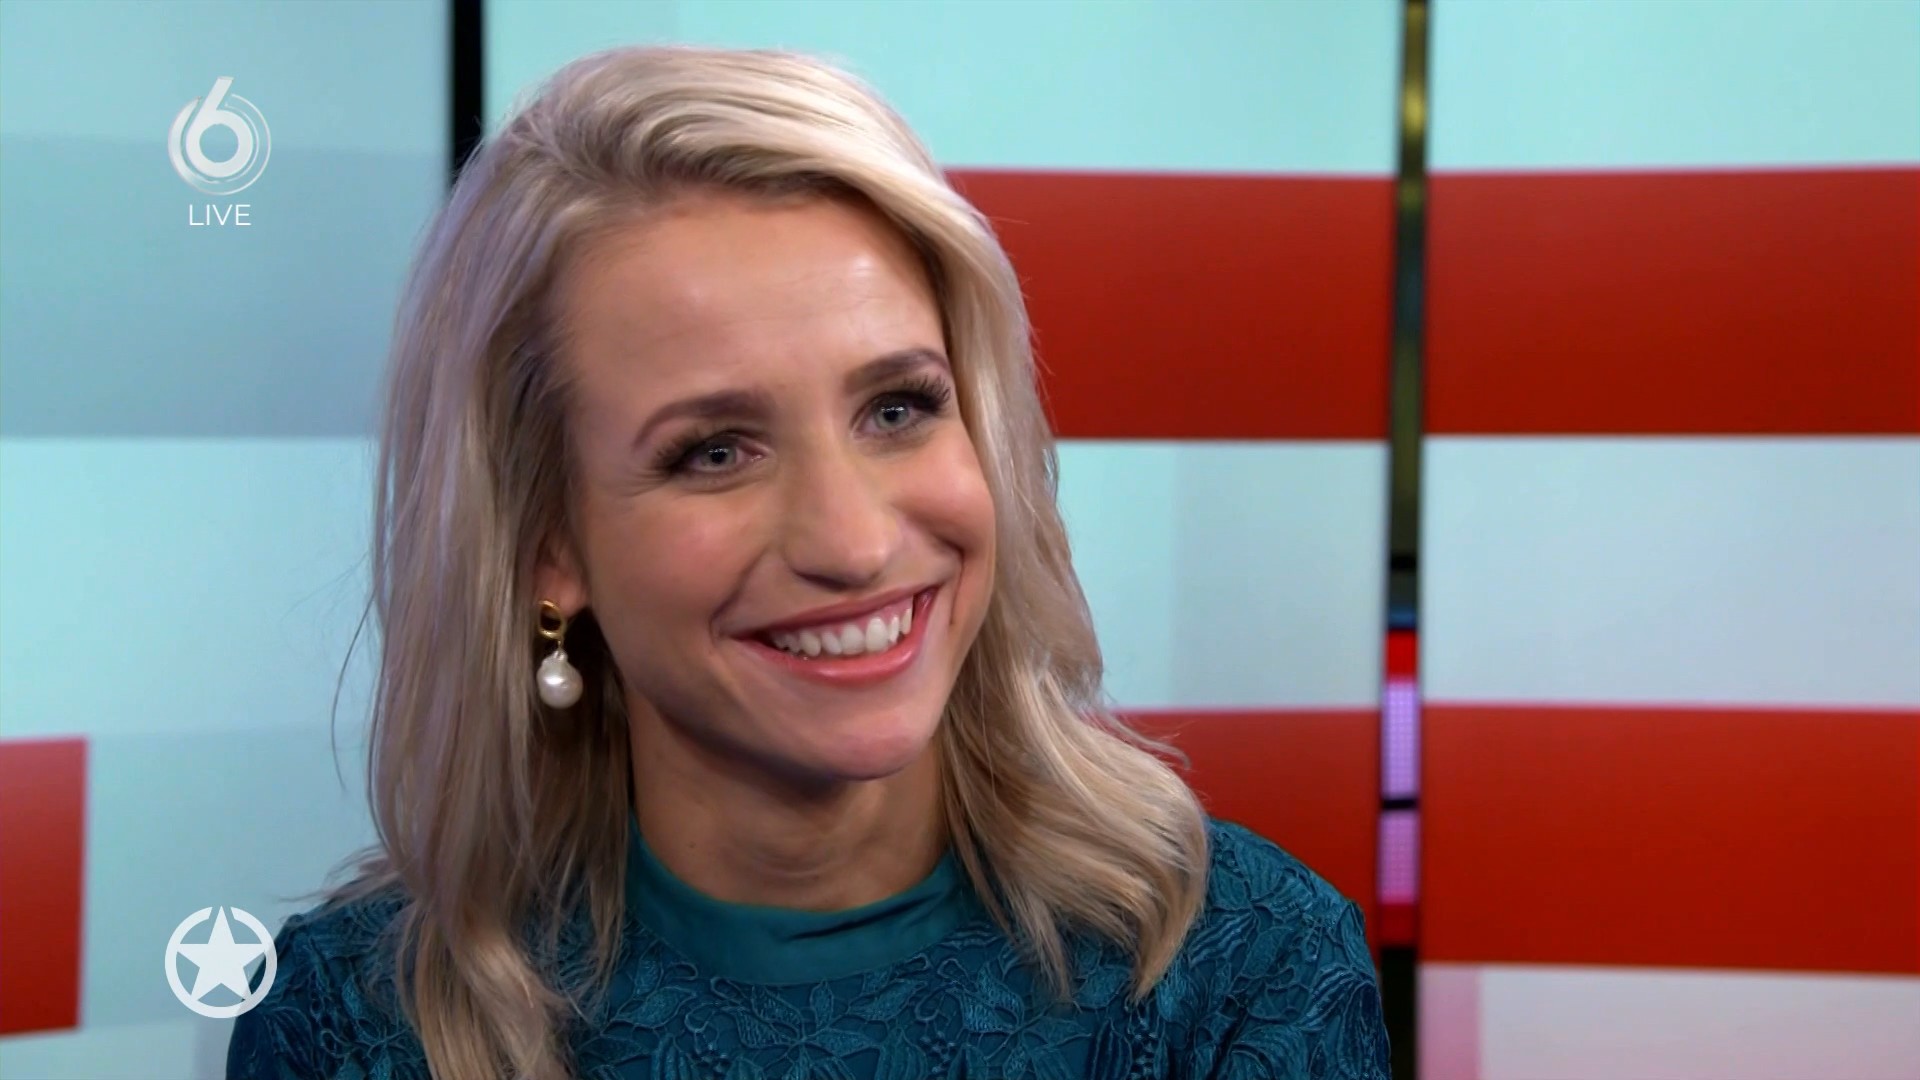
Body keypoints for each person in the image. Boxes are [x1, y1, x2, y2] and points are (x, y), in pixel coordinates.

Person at [226, 44, 1390, 1080]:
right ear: (546, 544)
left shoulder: (1244, 972)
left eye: (898, 408)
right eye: (715, 452)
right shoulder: (353, 1028)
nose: (856, 542)